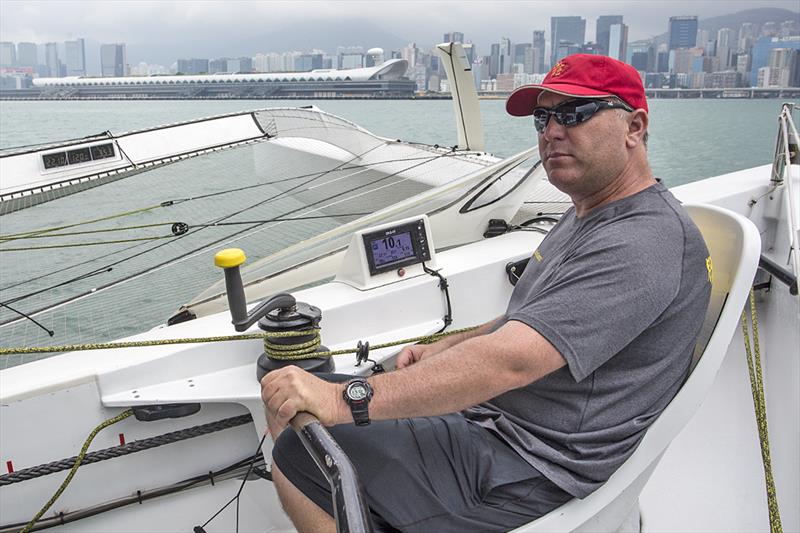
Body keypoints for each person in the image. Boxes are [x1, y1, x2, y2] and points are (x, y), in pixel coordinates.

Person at [261, 54, 712, 533]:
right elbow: (531, 321)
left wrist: (347, 397)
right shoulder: (590, 214)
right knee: (299, 405)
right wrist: (445, 347)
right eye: (544, 116)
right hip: (497, 426)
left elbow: (512, 361)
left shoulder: (642, 242)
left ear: (634, 127)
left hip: (531, 467)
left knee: (302, 445)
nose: (552, 131)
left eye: (574, 114)